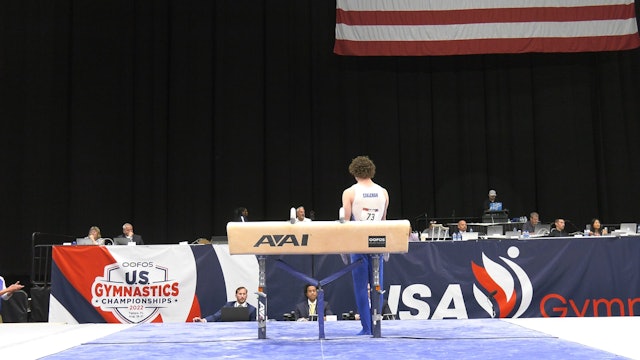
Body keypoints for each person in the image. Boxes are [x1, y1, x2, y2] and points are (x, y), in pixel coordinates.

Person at [342, 155, 389, 335]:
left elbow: (345, 222)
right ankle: (377, 326)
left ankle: (367, 327)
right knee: (377, 285)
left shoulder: (350, 192)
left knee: (361, 287)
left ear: (354, 172)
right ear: (371, 171)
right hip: (377, 242)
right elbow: (384, 221)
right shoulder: (383, 192)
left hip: (359, 243)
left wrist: (343, 248)